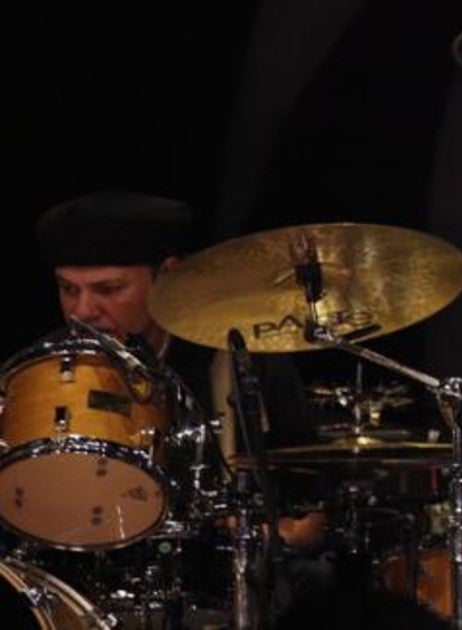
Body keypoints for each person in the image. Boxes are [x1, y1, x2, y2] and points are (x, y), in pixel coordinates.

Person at [22, 190, 335, 627]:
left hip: (218, 582)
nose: (82, 311)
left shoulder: (240, 360)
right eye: (68, 289)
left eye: (109, 289)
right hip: (81, 583)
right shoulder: (44, 376)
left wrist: (287, 530)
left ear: (168, 276)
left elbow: (314, 493)